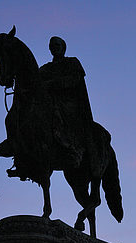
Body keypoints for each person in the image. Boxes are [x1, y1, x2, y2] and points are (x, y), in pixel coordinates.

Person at [39, 36, 96, 170]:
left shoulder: (72, 62)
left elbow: (75, 80)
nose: (55, 48)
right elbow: (35, 80)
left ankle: (71, 148)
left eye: (57, 45)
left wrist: (53, 83)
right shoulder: (46, 68)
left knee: (57, 111)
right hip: (50, 101)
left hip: (69, 102)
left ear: (63, 48)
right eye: (52, 46)